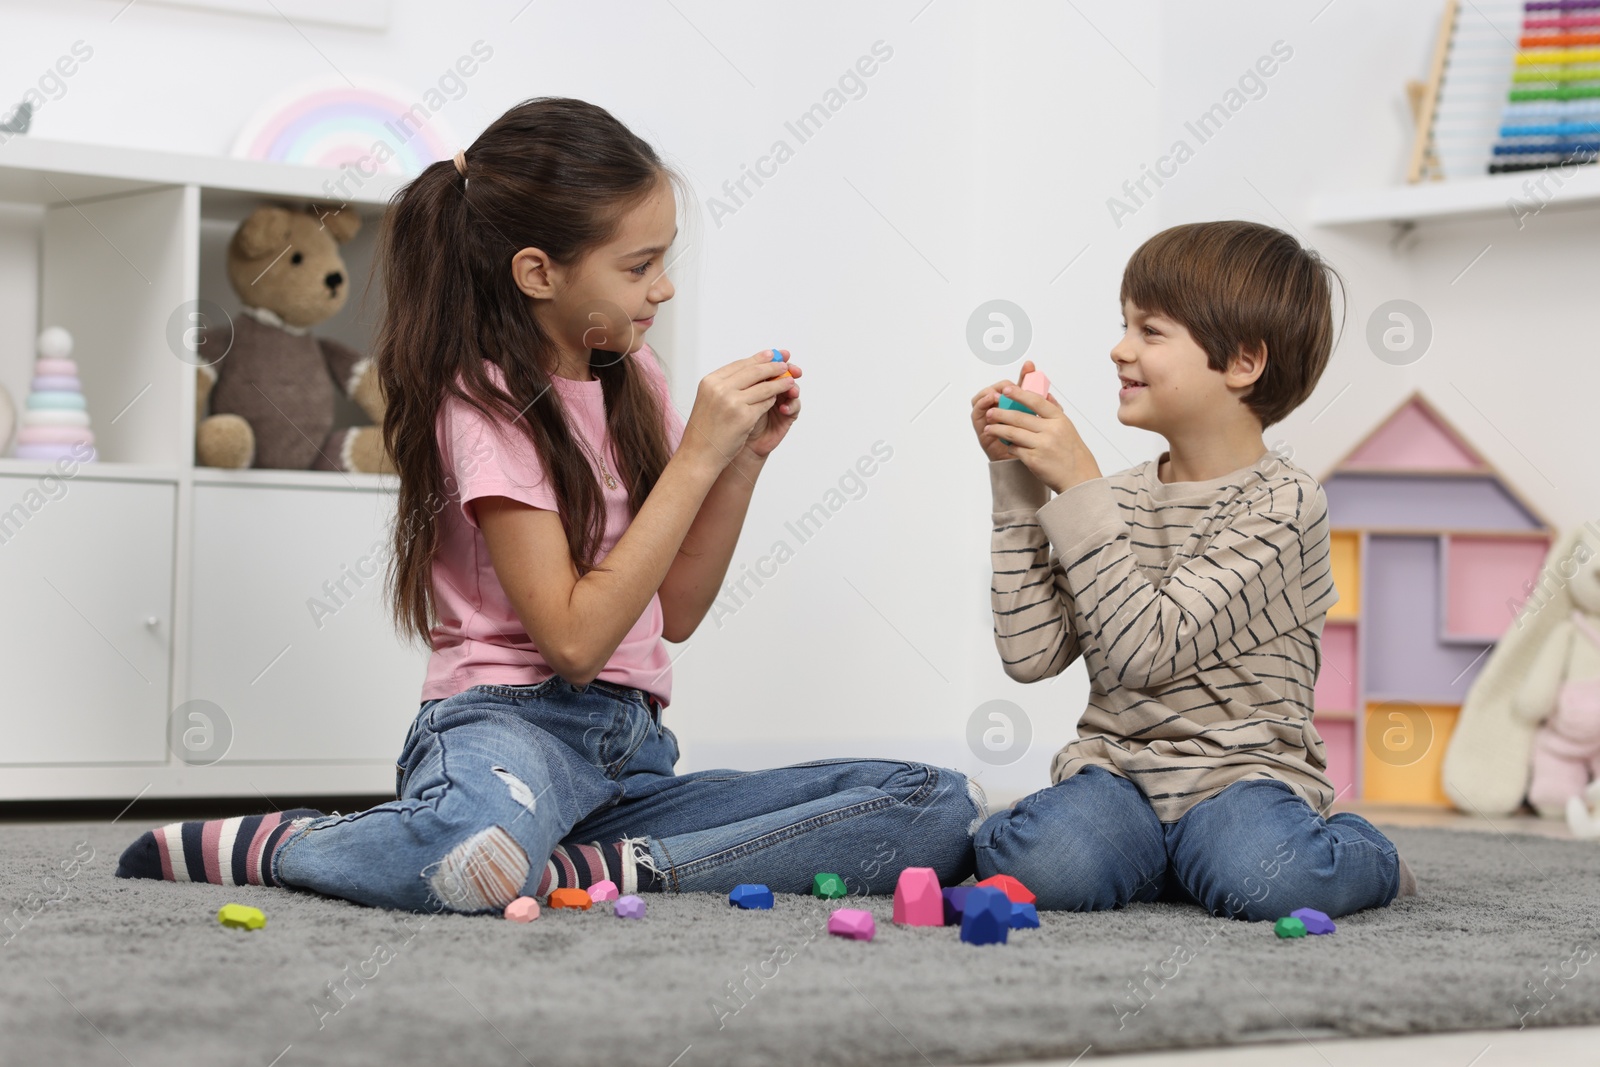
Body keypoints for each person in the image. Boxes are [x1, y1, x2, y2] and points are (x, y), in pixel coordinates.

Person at [117, 96, 982, 913]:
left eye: (663, 262)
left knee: (932, 806)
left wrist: (739, 464)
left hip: (632, 752)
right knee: (473, 846)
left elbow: (673, 610)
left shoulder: (632, 377)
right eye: (640, 266)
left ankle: (606, 863)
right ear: (538, 272)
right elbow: (571, 643)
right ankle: (289, 844)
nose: (663, 288)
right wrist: (694, 462)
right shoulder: (486, 404)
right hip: (507, 728)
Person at [968, 220, 1414, 919]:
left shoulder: (1286, 504)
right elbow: (1030, 656)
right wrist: (1017, 491)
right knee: (1045, 864)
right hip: (1119, 776)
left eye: (1150, 330)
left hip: (1241, 780)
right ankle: (1156, 858)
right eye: (1124, 324)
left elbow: (1151, 648)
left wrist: (1079, 487)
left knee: (1274, 877)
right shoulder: (1112, 499)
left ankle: (1366, 855)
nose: (1119, 349)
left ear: (1242, 361)